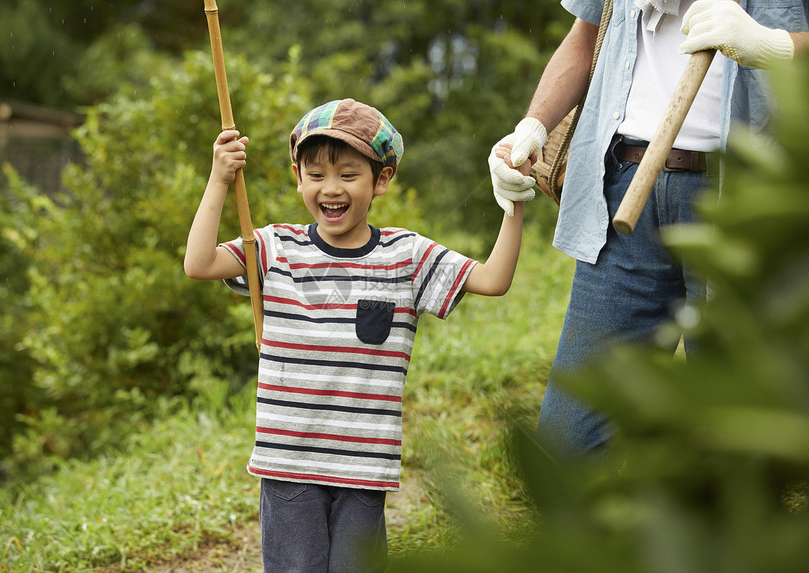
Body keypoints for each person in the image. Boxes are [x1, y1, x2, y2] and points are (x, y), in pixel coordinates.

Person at [184, 98, 533, 572]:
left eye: (348, 175)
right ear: (298, 176)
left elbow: (493, 280)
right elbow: (199, 263)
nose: (331, 188)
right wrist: (220, 178)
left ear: (381, 179)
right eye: (316, 174)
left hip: (363, 468)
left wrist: (512, 203)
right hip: (289, 462)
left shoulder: (405, 255)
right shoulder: (271, 247)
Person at [491, 0, 809, 456]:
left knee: (736, 442)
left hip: (748, 197)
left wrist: (771, 45)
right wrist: (532, 127)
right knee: (569, 446)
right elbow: (585, 37)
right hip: (625, 189)